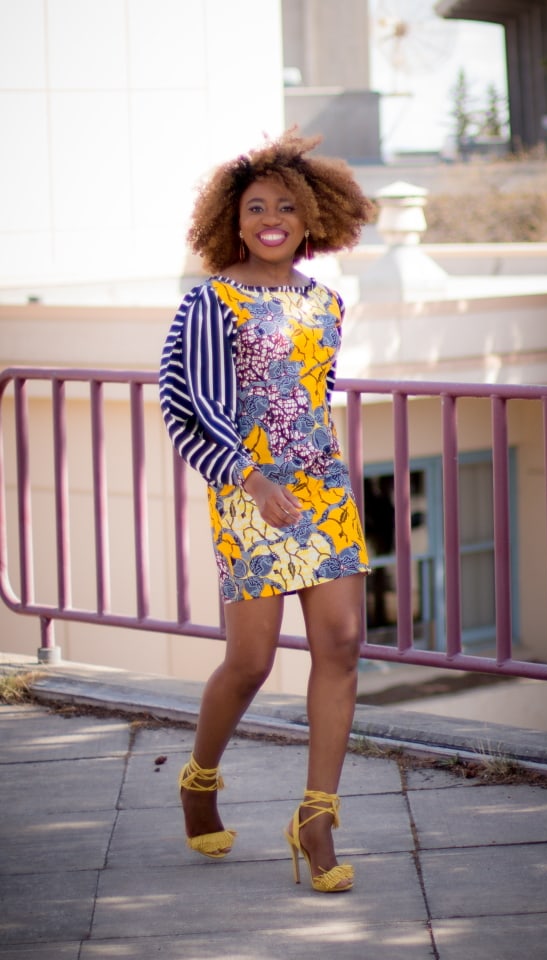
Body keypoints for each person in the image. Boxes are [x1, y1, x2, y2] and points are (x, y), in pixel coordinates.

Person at [159, 129, 375, 893]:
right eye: (257, 208)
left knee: (343, 644)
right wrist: (251, 482)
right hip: (249, 497)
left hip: (326, 495)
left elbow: (309, 399)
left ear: (314, 216)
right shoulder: (209, 303)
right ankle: (198, 778)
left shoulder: (326, 302)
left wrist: (312, 482)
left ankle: (315, 818)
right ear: (234, 219)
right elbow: (184, 411)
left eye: (288, 206)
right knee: (250, 662)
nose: (272, 218)